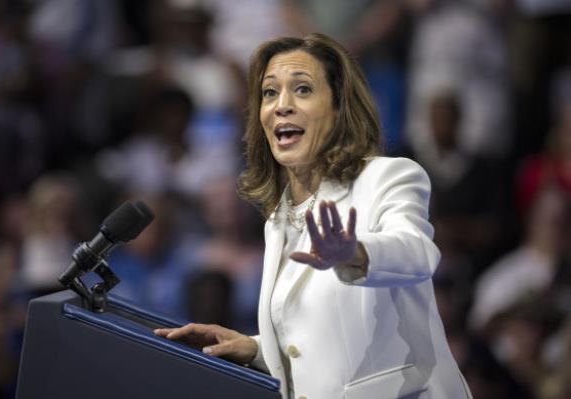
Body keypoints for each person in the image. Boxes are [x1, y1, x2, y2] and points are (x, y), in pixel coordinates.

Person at [154, 33, 471, 399]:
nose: (281, 106)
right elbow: (315, 340)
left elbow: (417, 253)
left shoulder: (388, 176)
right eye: (270, 93)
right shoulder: (278, 219)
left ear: (339, 108)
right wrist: (257, 348)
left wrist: (354, 253)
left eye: (302, 90)